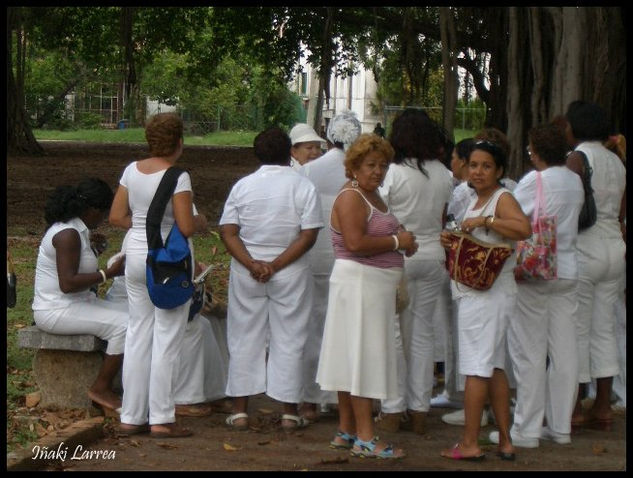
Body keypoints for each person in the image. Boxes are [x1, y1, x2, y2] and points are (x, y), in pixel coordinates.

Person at [316, 133, 417, 459]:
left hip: (370, 286)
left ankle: (347, 430)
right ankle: (366, 437)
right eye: (370, 165)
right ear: (354, 166)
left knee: (351, 357)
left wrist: (403, 242)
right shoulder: (352, 197)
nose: (378, 171)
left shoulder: (372, 196)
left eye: (383, 165)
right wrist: (397, 243)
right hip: (359, 284)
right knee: (362, 359)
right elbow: (356, 243)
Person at [219, 127, 323, 432]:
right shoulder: (302, 186)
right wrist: (275, 265)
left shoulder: (243, 186)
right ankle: (290, 412)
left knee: (243, 335)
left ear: (257, 153)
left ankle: (240, 410)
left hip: (247, 270)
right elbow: (309, 234)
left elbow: (228, 232)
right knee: (290, 337)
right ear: (289, 151)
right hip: (289, 270)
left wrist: (253, 263)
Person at [439, 140, 531, 461]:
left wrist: (486, 222)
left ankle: (470, 442)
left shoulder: (501, 198)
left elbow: (523, 228)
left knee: (477, 368)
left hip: (487, 296)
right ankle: (505, 440)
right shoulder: (477, 198)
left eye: (486, 166)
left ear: (500, 171)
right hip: (482, 294)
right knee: (493, 367)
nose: (478, 171)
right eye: (474, 165)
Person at [109, 112, 196, 438]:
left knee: (138, 333)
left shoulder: (132, 170)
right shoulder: (179, 176)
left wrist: (145, 224)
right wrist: (199, 224)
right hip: (166, 262)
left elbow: (117, 216)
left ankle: (131, 415)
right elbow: (185, 226)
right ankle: (161, 417)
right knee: (168, 338)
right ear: (178, 142)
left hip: (135, 257)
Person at [503, 123, 584, 447]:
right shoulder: (575, 181)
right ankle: (561, 426)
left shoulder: (533, 181)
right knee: (565, 351)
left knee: (529, 352)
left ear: (535, 152)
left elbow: (514, 220)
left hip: (534, 272)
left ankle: (526, 429)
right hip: (567, 269)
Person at [375, 108, 453, 434]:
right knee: (422, 335)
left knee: (393, 335)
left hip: (399, 257)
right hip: (434, 256)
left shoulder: (392, 173)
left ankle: (392, 409)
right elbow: (444, 215)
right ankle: (419, 408)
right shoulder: (445, 174)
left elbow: (378, 215)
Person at [32, 178, 127, 414]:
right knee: (125, 326)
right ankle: (101, 388)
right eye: (103, 213)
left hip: (78, 303)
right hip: (57, 310)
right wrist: (108, 273)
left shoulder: (77, 230)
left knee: (137, 316)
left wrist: (94, 251)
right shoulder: (67, 234)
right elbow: (67, 283)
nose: (103, 219)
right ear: (92, 210)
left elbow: (74, 265)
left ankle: (130, 384)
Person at [296, 109, 362, 423]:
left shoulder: (310, 170)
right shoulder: (361, 172)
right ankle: (340, 398)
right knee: (345, 329)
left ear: (328, 136)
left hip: (315, 255)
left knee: (313, 327)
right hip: (351, 257)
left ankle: (309, 399)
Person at [564, 101, 626, 432]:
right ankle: (602, 407)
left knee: (577, 329)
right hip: (614, 248)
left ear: (575, 128)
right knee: (605, 329)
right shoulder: (617, 161)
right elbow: (619, 211)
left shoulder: (577, 158)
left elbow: (569, 206)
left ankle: (572, 407)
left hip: (584, 249)